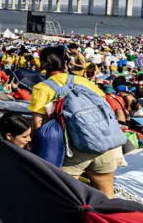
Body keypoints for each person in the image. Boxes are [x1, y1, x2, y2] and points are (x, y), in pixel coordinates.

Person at [29, 45, 124, 198]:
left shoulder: (42, 88)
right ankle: (107, 219)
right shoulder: (83, 81)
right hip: (105, 142)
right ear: (66, 63)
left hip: (74, 148)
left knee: (67, 194)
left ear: (43, 66)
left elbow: (37, 124)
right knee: (106, 192)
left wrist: (34, 146)